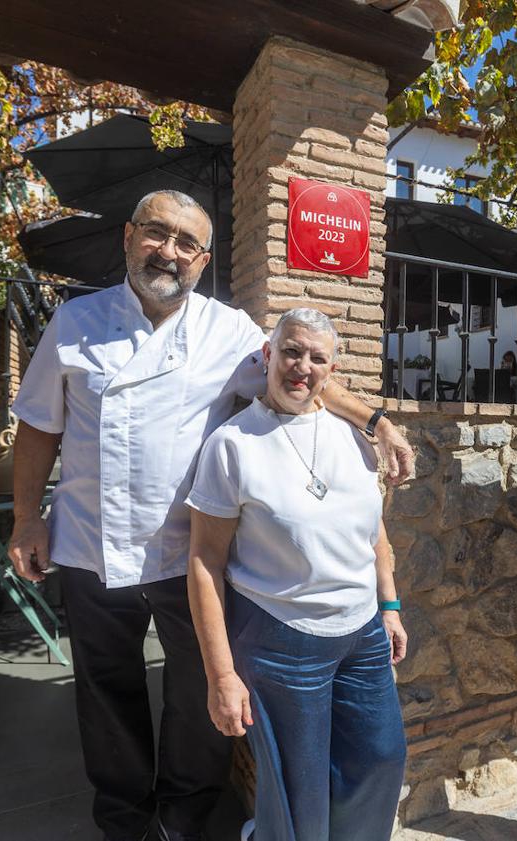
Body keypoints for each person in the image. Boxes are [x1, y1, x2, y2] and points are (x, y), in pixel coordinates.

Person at [7, 190, 413, 841]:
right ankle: (124, 819)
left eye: (186, 243)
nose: (169, 251)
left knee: (199, 700)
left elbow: (301, 366)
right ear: (128, 236)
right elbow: (37, 428)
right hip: (88, 543)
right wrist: (28, 516)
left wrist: (376, 417)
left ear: (202, 260)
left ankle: (184, 817)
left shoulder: (228, 330)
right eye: (157, 234)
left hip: (181, 552)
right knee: (106, 694)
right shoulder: (74, 322)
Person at [185, 308, 408, 841]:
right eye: (291, 351)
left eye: (316, 357)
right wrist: (221, 677)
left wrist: (390, 606)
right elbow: (204, 564)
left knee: (381, 760)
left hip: (363, 635)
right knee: (297, 791)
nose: (301, 367)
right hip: (281, 639)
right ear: (267, 355)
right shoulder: (232, 446)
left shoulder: (353, 438)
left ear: (331, 371)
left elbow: (372, 533)